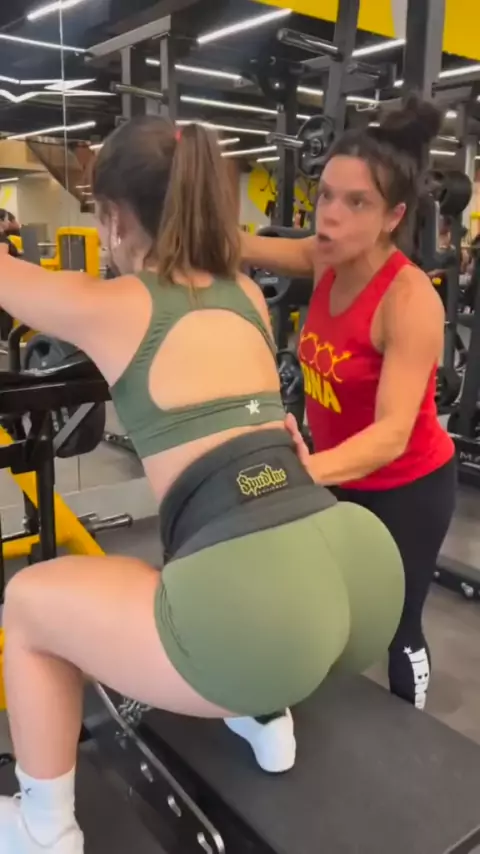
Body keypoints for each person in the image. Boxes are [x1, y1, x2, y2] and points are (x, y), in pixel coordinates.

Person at [0, 117, 404, 853]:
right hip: (356, 566)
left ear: (114, 219)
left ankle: (42, 827)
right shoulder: (246, 294)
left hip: (259, 619)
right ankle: (264, 713)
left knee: (28, 603)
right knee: (207, 550)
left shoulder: (110, 304)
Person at [242, 94, 457, 713]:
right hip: (338, 473)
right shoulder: (325, 259)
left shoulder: (409, 300)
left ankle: (412, 730)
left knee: (396, 624)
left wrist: (305, 471)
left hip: (407, 487)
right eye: (327, 196)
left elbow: (392, 433)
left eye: (356, 202)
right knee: (320, 596)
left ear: (393, 216)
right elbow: (239, 246)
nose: (330, 216)